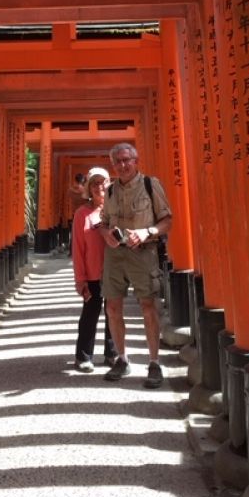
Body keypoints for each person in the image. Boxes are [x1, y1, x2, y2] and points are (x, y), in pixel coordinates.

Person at [99, 143, 172, 389]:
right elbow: (103, 222)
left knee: (148, 305)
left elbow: (166, 220)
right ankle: (122, 358)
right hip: (115, 255)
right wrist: (106, 233)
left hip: (144, 252)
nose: (123, 165)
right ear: (113, 165)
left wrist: (146, 232)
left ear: (136, 160)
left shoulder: (151, 185)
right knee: (112, 306)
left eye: (127, 160)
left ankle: (154, 362)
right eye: (117, 161)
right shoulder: (109, 191)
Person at [71, 167, 118, 372]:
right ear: (89, 188)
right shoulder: (82, 214)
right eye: (95, 183)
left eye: (104, 182)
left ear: (110, 184)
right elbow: (78, 248)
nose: (100, 187)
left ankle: (113, 353)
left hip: (114, 272)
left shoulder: (116, 209)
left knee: (114, 313)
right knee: (90, 314)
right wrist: (80, 280)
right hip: (92, 273)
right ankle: (83, 356)